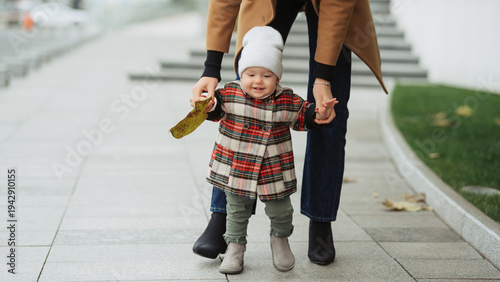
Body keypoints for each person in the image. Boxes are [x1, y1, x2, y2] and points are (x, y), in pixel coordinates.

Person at [191, 0, 388, 266]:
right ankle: (221, 217)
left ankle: (320, 220)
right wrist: (211, 68)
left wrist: (323, 78)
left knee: (329, 112)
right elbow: (225, 2)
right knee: (244, 98)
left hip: (334, 6)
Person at [198, 26, 338, 274]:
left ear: (278, 77)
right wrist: (206, 106)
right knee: (236, 211)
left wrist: (317, 115)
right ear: (241, 74)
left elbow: (301, 118)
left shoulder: (287, 100)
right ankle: (235, 247)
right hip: (238, 171)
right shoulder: (230, 94)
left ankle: (280, 240)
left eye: (267, 75)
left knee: (281, 211)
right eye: (250, 74)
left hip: (274, 169)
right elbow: (215, 110)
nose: (258, 81)